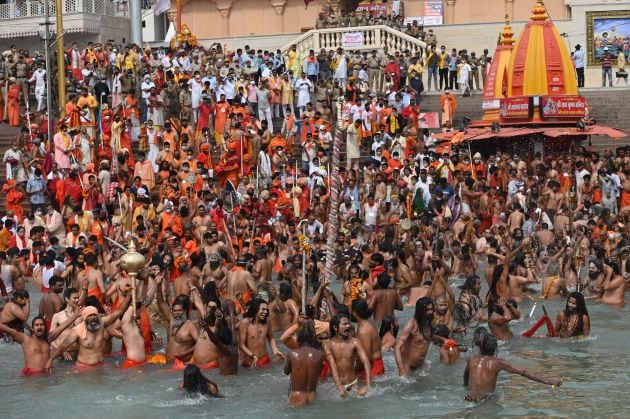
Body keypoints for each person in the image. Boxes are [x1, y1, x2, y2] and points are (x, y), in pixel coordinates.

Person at [464, 329, 562, 402]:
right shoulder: (498, 362)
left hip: (468, 398)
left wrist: (465, 386)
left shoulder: (471, 359)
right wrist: (547, 380)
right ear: (495, 348)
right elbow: (523, 372)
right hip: (483, 401)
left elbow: (465, 378)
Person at [46, 296, 131, 371]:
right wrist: (50, 360)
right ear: (85, 318)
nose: (93, 318)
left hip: (101, 366)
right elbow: (63, 346)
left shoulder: (102, 323)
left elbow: (119, 312)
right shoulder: (78, 331)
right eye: (90, 316)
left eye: (94, 315)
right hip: (84, 368)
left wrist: (129, 295)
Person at [0, 314, 80, 376]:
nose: (39, 327)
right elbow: (8, 330)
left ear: (45, 327)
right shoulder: (25, 339)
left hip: (47, 373)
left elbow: (62, 326)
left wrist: (76, 315)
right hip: (31, 375)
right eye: (36, 325)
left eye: (42, 325)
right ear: (32, 328)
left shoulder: (48, 338)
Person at [395, 297, 445, 375]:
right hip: (407, 368)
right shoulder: (411, 325)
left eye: (432, 309)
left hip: (420, 368)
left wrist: (443, 340)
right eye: (428, 310)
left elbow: (428, 337)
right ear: (421, 311)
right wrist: (400, 368)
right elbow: (397, 347)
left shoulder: (427, 323)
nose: (431, 312)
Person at [325, 313, 370, 395]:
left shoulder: (355, 342)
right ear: (335, 328)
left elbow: (366, 361)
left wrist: (368, 385)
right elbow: (333, 365)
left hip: (353, 383)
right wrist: (338, 386)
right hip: (335, 385)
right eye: (345, 324)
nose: (348, 326)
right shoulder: (328, 344)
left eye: (348, 323)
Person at [283, 320, 325, 407]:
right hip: (313, 397)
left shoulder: (292, 354)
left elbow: (286, 372)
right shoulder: (320, 355)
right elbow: (319, 372)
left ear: (299, 338)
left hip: (296, 398)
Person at [238, 298, 284, 368]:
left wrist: (276, 351)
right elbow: (241, 345)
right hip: (251, 362)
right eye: (263, 309)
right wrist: (252, 355)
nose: (265, 312)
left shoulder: (267, 321)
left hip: (265, 359)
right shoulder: (245, 322)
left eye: (266, 310)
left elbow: (271, 337)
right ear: (255, 309)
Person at [352, 299, 384, 379]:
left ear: (355, 313)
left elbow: (366, 357)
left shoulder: (363, 331)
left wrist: (353, 371)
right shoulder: (369, 323)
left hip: (372, 368)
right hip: (376, 364)